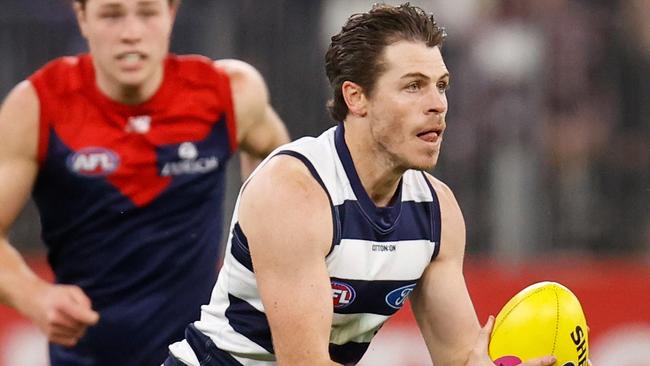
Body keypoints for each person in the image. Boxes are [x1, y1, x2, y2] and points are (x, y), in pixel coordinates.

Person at [164, 3, 559, 366]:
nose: (438, 104)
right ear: (356, 97)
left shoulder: (437, 211)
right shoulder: (294, 191)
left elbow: (458, 357)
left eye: (441, 85)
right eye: (413, 86)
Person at [0, 0, 289, 365]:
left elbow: (281, 175)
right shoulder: (38, 106)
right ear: (82, 18)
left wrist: (262, 263)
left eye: (147, 12)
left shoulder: (229, 92)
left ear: (170, 14)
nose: (131, 33)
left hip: (204, 356)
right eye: (111, 14)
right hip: (88, 357)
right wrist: (35, 298)